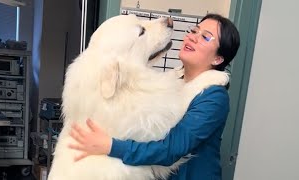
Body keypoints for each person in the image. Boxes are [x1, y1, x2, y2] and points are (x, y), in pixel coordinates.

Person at [68, 13, 240, 180]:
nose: (193, 37)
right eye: (195, 31)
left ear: (218, 59)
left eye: (206, 37)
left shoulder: (215, 96)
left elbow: (171, 149)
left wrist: (110, 146)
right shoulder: (172, 79)